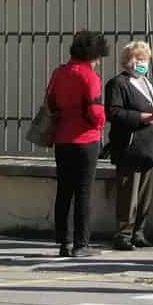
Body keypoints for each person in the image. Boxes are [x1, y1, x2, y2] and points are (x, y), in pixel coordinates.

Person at [103, 39, 153, 249]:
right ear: (129, 61)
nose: (144, 63)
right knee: (128, 194)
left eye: (146, 59)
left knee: (145, 195)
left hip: (149, 147)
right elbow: (114, 112)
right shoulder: (118, 83)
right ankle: (123, 234)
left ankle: (139, 232)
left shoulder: (150, 84)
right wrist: (143, 117)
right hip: (129, 147)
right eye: (140, 59)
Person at [44, 30, 109, 258]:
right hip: (85, 139)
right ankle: (82, 244)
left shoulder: (59, 72)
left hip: (62, 138)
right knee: (83, 192)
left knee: (64, 190)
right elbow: (95, 110)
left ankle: (65, 241)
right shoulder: (90, 76)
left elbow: (50, 101)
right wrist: (101, 123)